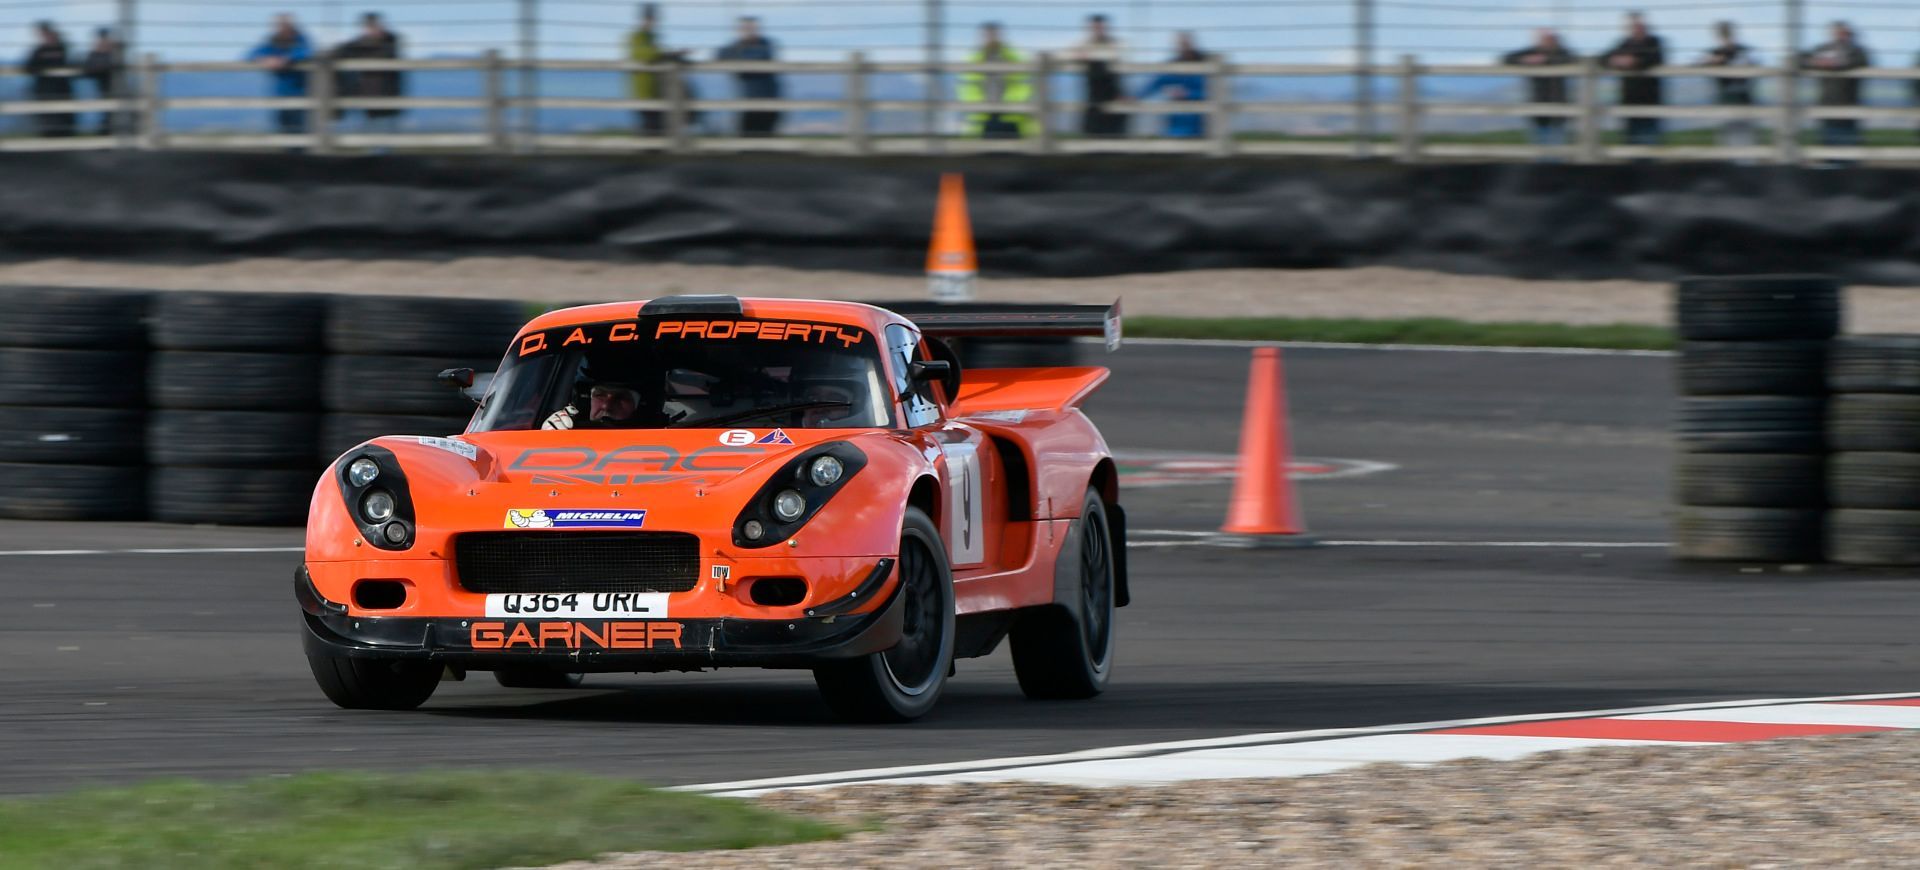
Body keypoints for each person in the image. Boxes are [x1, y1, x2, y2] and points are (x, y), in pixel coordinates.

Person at [956, 22, 1033, 139]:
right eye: (988, 35)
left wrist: (1009, 106)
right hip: (984, 118)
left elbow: (1024, 87)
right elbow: (967, 91)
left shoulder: (1015, 59)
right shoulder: (973, 61)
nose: (991, 38)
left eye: (993, 35)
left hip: (1011, 116)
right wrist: (982, 108)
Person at [1501, 29, 1574, 148]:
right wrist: (1524, 60)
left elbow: (1570, 59)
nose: (1547, 41)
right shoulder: (1531, 52)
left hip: (1559, 107)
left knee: (1557, 144)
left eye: (1549, 38)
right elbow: (1507, 58)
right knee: (1539, 144)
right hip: (1537, 106)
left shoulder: (1563, 53)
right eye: (1544, 38)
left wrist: (1545, 60)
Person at [1601, 12, 1665, 146]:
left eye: (1639, 25)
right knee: (1630, 146)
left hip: (1650, 104)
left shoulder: (1654, 42)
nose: (1637, 28)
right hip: (1629, 103)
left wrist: (1634, 61)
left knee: (1650, 145)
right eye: (1633, 25)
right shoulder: (1624, 44)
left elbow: (1655, 58)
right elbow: (1602, 59)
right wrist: (1615, 60)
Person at [1803, 21, 1870, 147]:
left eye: (1845, 33)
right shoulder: (1822, 49)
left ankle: (1849, 165)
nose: (1841, 36)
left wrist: (1834, 63)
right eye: (1838, 33)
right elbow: (1800, 60)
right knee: (1827, 143)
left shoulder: (1857, 51)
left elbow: (1860, 61)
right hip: (1827, 103)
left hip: (1849, 105)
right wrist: (1817, 62)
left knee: (1849, 144)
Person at [333, 13, 403, 133]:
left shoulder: (390, 42)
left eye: (374, 26)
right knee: (372, 136)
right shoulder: (360, 44)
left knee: (386, 137)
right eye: (369, 27)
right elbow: (340, 51)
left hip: (388, 98)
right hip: (369, 99)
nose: (373, 30)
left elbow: (384, 55)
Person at [628, 3, 689, 136]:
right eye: (648, 18)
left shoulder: (651, 38)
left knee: (656, 130)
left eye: (652, 18)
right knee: (650, 130)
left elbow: (655, 54)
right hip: (643, 93)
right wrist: (671, 54)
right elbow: (646, 55)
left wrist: (674, 56)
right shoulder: (636, 37)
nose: (651, 21)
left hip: (656, 92)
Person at [245, 14, 313, 135]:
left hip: (302, 95)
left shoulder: (301, 41)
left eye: (285, 26)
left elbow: (307, 52)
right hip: (280, 95)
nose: (282, 29)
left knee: (301, 133)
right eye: (279, 26)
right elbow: (250, 54)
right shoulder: (272, 43)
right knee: (283, 131)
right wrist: (264, 59)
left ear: (292, 27)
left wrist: (287, 59)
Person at [1696, 21, 1757, 151]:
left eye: (1728, 34)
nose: (1726, 38)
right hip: (1725, 104)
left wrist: (1725, 61)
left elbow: (1751, 65)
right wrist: (1710, 62)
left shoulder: (1743, 51)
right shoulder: (1714, 53)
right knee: (1726, 146)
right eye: (1723, 35)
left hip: (1743, 104)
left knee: (1745, 146)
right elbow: (1697, 63)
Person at [1135, 32, 1208, 139]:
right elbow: (1155, 84)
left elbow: (1212, 92)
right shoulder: (1172, 66)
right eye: (1180, 45)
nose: (1183, 49)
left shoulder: (1204, 66)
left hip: (1198, 124)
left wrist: (1187, 94)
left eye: (1185, 45)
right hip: (1174, 123)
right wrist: (1135, 97)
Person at [717, 16, 779, 137]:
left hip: (768, 100)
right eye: (745, 28)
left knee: (765, 137)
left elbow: (757, 59)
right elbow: (720, 54)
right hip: (745, 100)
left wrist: (736, 58)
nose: (749, 31)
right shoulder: (736, 46)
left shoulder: (766, 45)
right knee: (745, 136)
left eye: (752, 28)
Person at [1067, 14, 1126, 138]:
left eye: (1100, 27)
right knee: (1092, 131)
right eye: (1095, 27)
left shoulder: (1115, 43)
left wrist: (1089, 56)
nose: (1098, 30)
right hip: (1093, 93)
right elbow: (1065, 55)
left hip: (1112, 90)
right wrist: (1078, 55)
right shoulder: (1083, 44)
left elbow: (1118, 57)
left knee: (1114, 132)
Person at [23, 22, 75, 138]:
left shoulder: (61, 49)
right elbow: (29, 68)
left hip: (60, 91)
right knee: (48, 121)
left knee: (62, 120)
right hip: (46, 92)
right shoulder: (39, 51)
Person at [541, 382, 644, 430]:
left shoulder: (655, 441)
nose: (606, 405)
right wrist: (548, 439)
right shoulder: (570, 430)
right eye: (600, 395)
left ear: (637, 406)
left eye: (620, 397)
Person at [81, 27, 125, 136]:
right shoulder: (95, 54)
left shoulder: (114, 53)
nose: (103, 41)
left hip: (117, 89)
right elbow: (87, 71)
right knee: (107, 115)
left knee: (115, 114)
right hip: (104, 90)